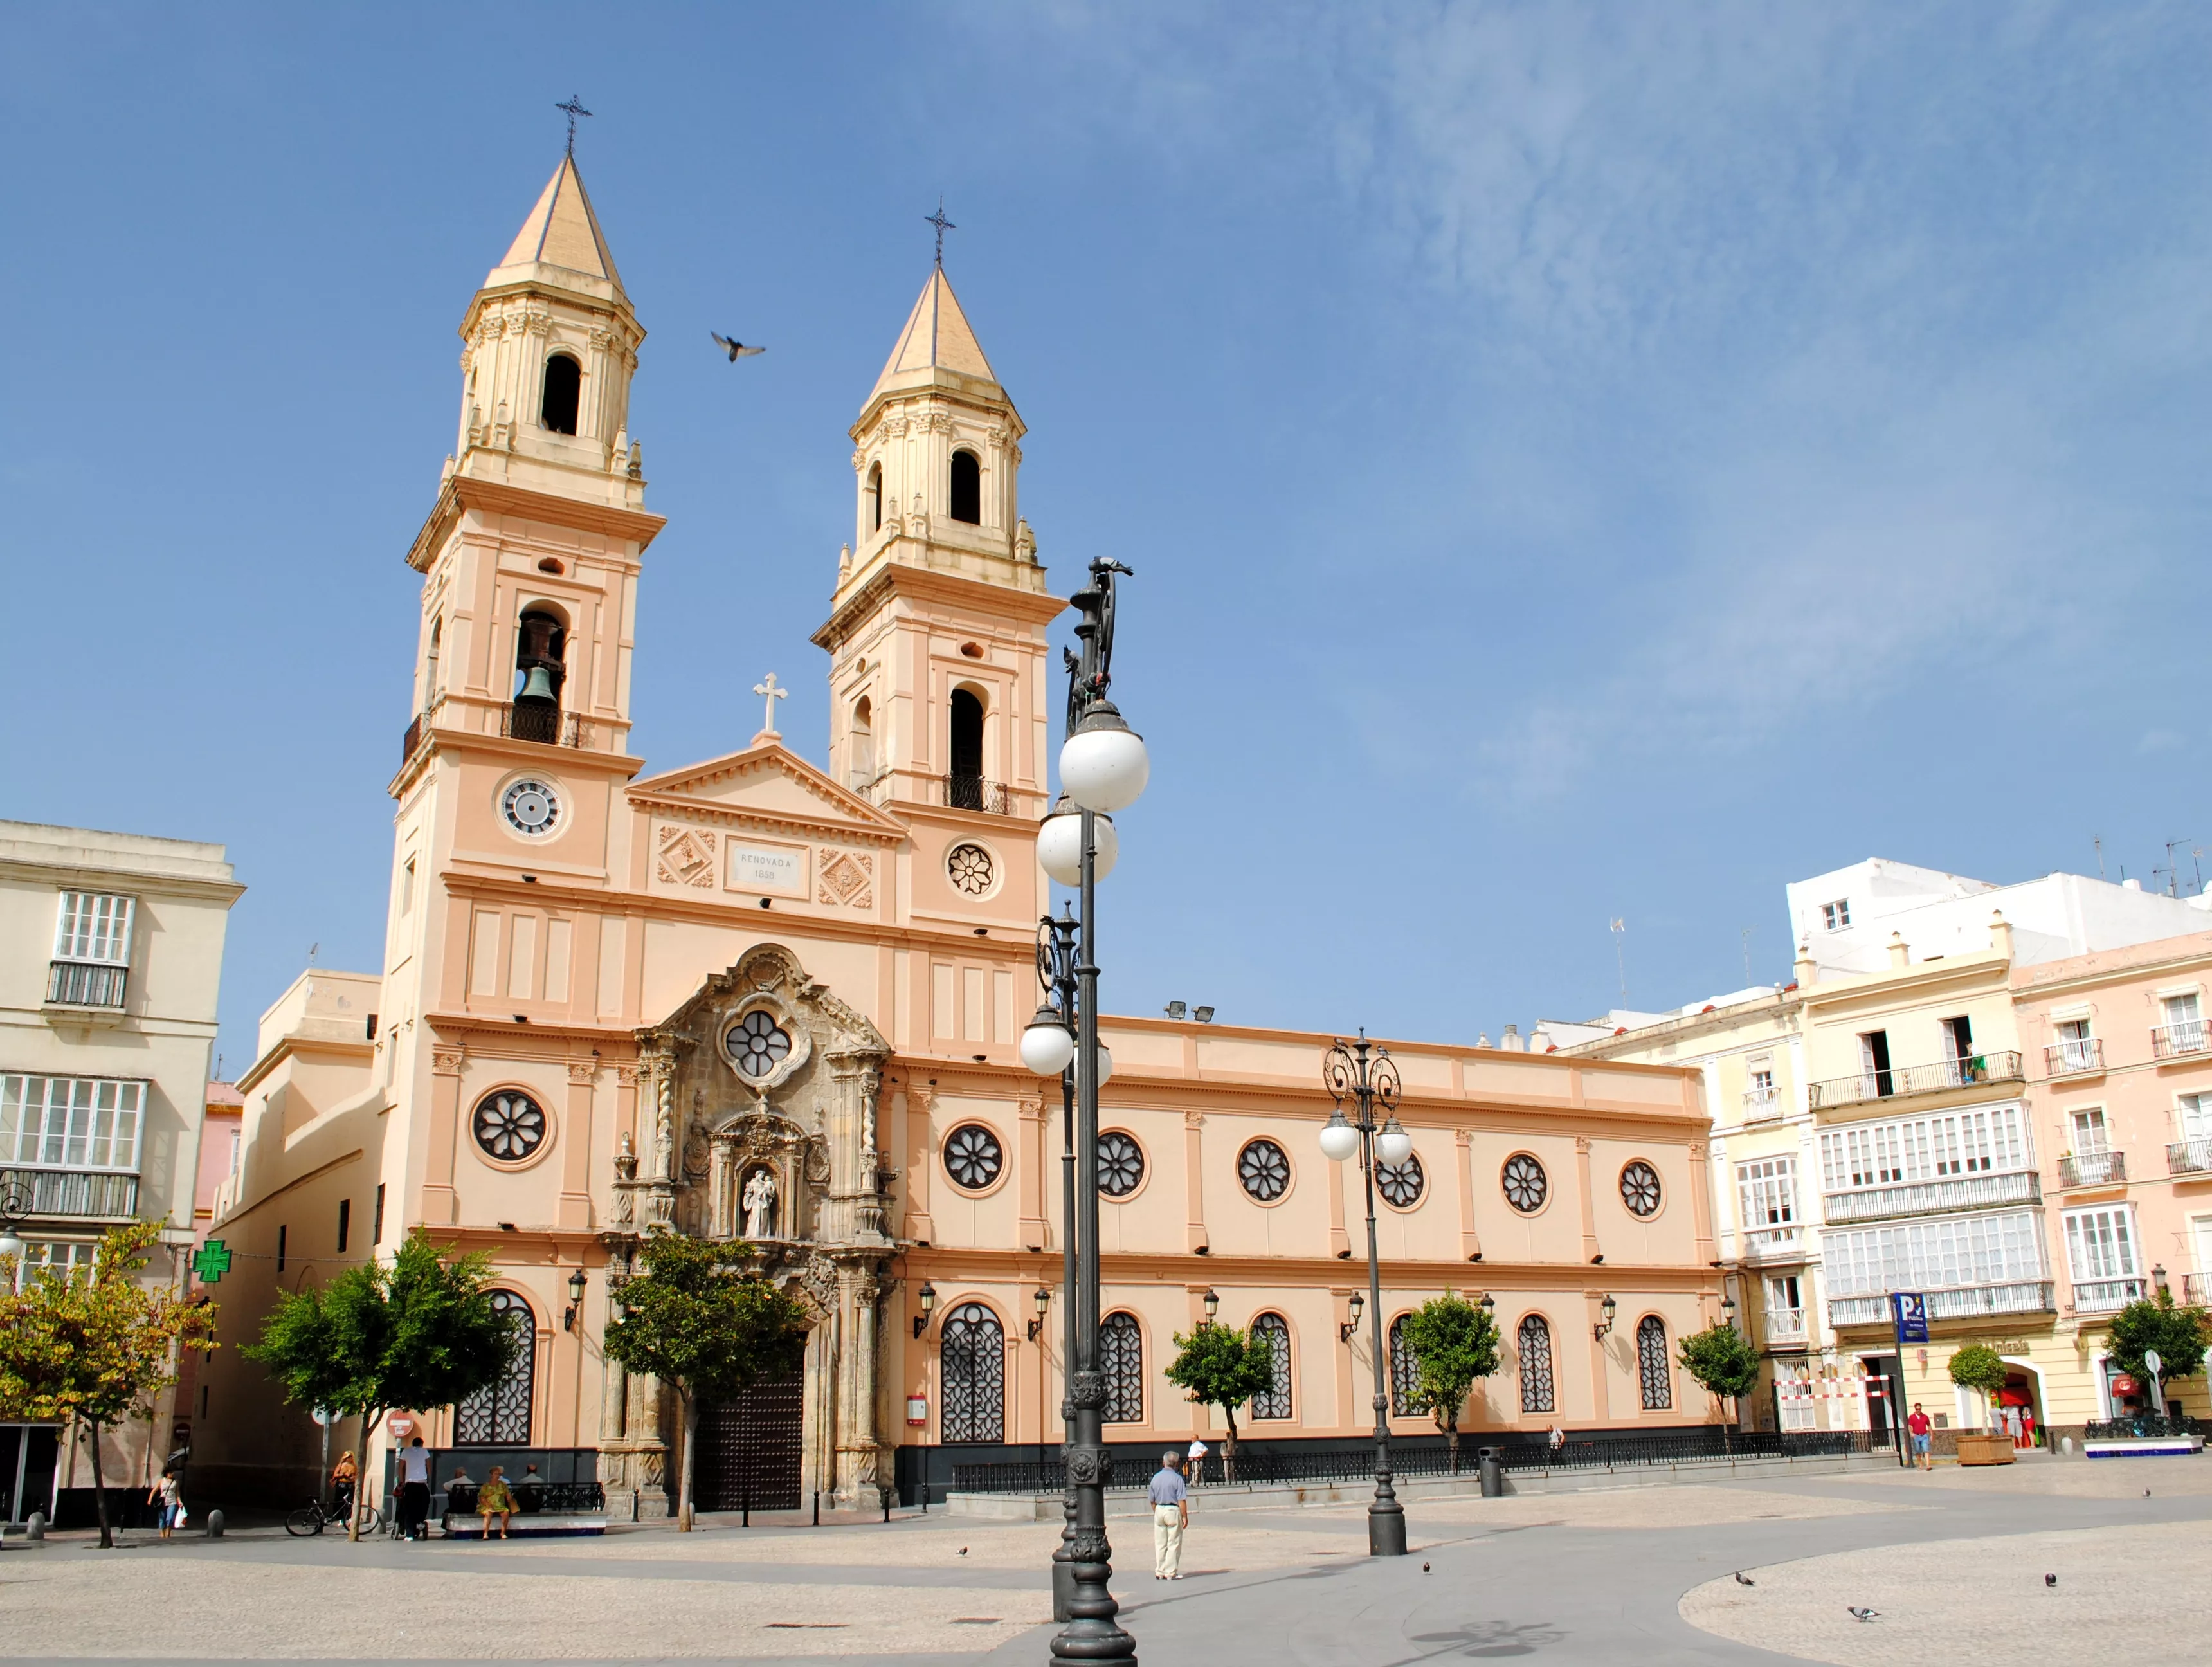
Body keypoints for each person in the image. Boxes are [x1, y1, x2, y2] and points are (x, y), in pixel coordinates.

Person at [1148, 1448, 1188, 1581]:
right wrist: (1184, 1516)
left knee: (1160, 1543)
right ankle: (1171, 1572)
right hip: (1172, 1509)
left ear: (1163, 1462)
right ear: (1176, 1464)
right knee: (1174, 1542)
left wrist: (1157, 1510)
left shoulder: (1156, 1478)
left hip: (1159, 1509)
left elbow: (1152, 1500)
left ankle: (1160, 1571)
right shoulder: (1177, 1479)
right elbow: (1181, 1500)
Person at [397, 1435, 433, 1539]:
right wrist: (429, 1478)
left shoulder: (406, 1451)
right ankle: (420, 1521)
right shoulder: (424, 1451)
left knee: (409, 1508)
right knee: (425, 1503)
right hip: (422, 1483)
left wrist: (401, 1481)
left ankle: (410, 1535)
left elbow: (401, 1466)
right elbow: (428, 1466)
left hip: (410, 1484)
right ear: (421, 1444)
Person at [476, 1465, 516, 1540]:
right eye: (496, 1474)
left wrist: (509, 1498)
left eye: (498, 1474)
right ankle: (485, 1534)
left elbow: (508, 1494)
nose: (497, 1476)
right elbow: (481, 1497)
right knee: (488, 1513)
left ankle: (503, 1533)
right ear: (491, 1475)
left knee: (506, 1512)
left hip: (500, 1505)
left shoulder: (503, 1484)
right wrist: (488, 1504)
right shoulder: (486, 1486)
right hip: (487, 1505)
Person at [148, 1471, 183, 1539]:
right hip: (162, 1502)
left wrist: (179, 1501)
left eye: (173, 1473)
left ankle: (168, 1533)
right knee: (162, 1519)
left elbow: (177, 1492)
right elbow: (154, 1490)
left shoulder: (175, 1481)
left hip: (173, 1502)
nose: (173, 1474)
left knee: (170, 1518)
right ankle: (162, 1534)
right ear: (167, 1473)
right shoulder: (162, 1481)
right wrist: (150, 1499)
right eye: (171, 1473)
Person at [330, 1452, 358, 1522]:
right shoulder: (341, 1464)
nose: (350, 1459)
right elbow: (335, 1475)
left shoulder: (354, 1466)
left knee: (349, 1502)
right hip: (341, 1484)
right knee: (340, 1502)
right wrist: (343, 1475)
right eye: (348, 1457)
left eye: (351, 1457)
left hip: (350, 1485)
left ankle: (349, 1518)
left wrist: (353, 1478)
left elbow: (356, 1475)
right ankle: (340, 1518)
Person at [1907, 1402, 1934, 1470]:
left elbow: (1929, 1426)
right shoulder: (1912, 1417)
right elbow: (1909, 1426)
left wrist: (1931, 1435)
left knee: (1926, 1450)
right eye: (1917, 1409)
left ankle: (1928, 1465)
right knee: (1918, 1451)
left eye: (1919, 1409)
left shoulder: (1925, 1416)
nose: (1918, 1410)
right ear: (1915, 1409)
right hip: (1916, 1436)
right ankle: (1921, 1464)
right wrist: (1911, 1433)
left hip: (1924, 1435)